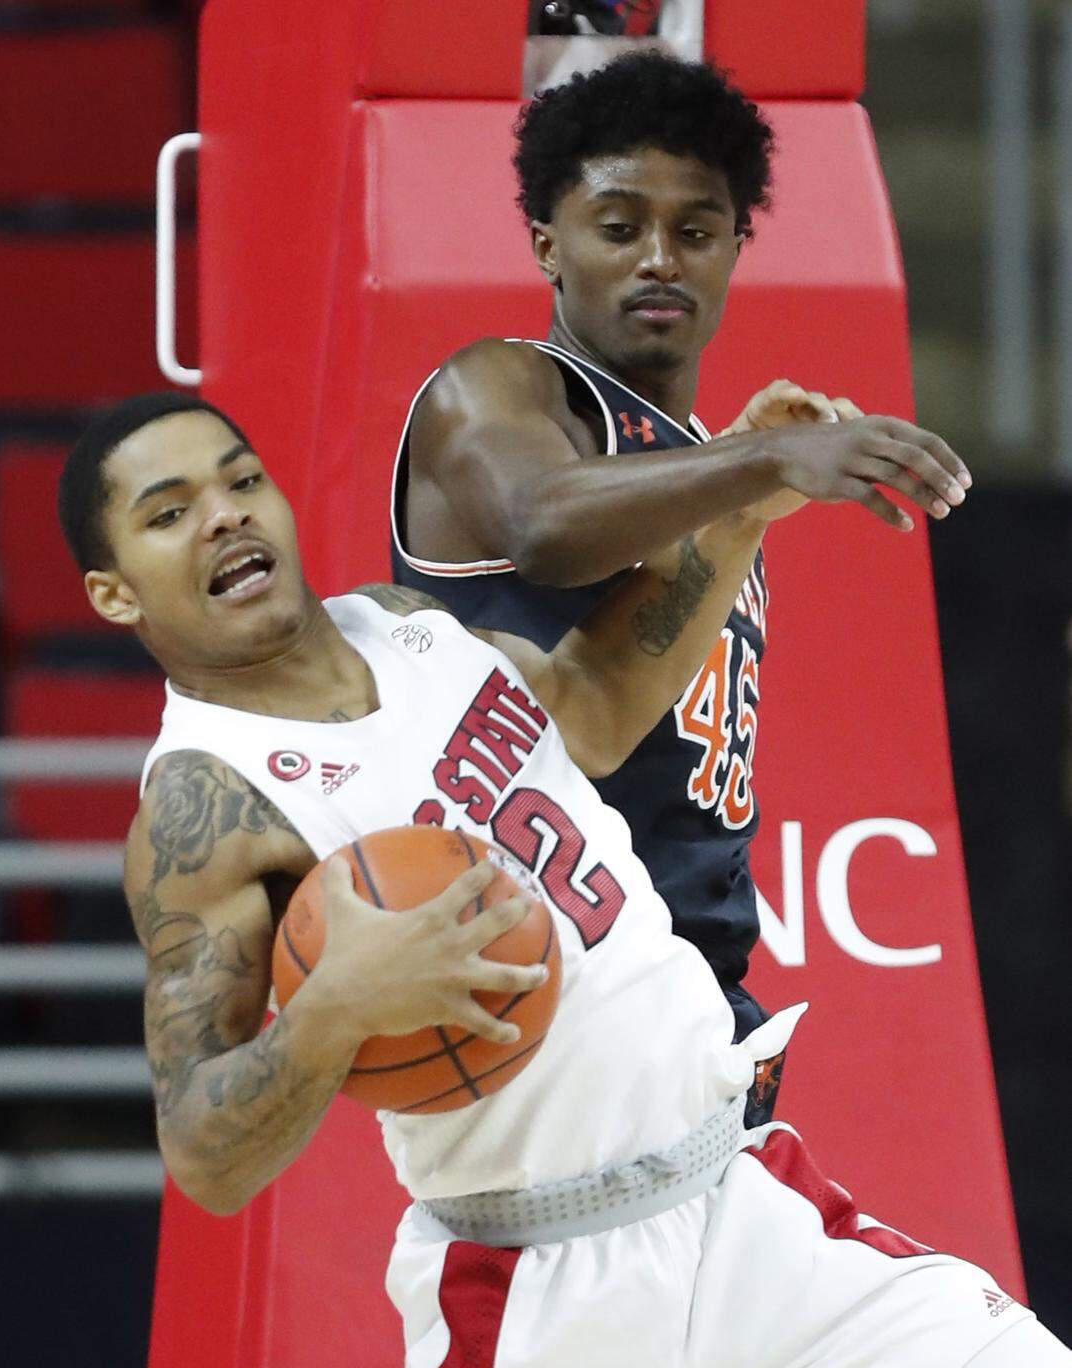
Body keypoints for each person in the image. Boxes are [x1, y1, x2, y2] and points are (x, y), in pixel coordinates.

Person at [58, 392, 1070, 1368]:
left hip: (740, 1210)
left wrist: (734, 517)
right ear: (113, 592)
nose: (224, 515)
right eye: (170, 513)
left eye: (240, 479)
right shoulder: (203, 807)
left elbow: (590, 704)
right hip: (541, 1299)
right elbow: (206, 1152)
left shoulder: (401, 624)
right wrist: (333, 1012)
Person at [390, 51, 963, 1123]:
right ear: (547, 244)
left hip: (693, 1010)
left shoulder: (701, 466)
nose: (659, 258)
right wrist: (760, 469)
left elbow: (623, 696)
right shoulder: (500, 385)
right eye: (618, 228)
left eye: (695, 232)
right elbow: (544, 525)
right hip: (548, 997)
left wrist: (743, 492)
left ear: (735, 250)